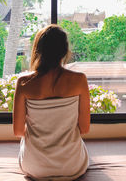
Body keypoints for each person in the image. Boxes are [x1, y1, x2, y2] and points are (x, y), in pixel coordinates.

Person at [13, 24, 90, 181]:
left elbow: (18, 131)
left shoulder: (24, 83)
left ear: (38, 50)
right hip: (72, 167)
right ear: (64, 51)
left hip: (34, 167)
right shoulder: (79, 80)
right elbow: (84, 129)